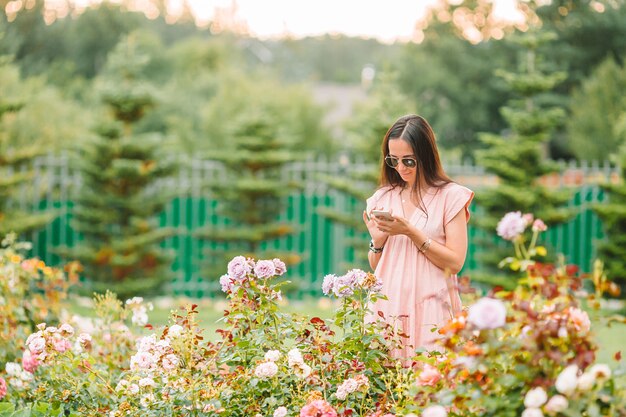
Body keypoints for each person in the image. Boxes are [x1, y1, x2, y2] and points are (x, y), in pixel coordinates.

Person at [362, 114, 474, 359]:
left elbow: (455, 262)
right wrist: (377, 243)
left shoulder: (450, 197)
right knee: (386, 388)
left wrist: (411, 232)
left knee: (431, 381)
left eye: (409, 161)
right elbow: (376, 266)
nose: (400, 168)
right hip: (387, 306)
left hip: (432, 307)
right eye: (393, 160)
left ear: (425, 157)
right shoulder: (383, 197)